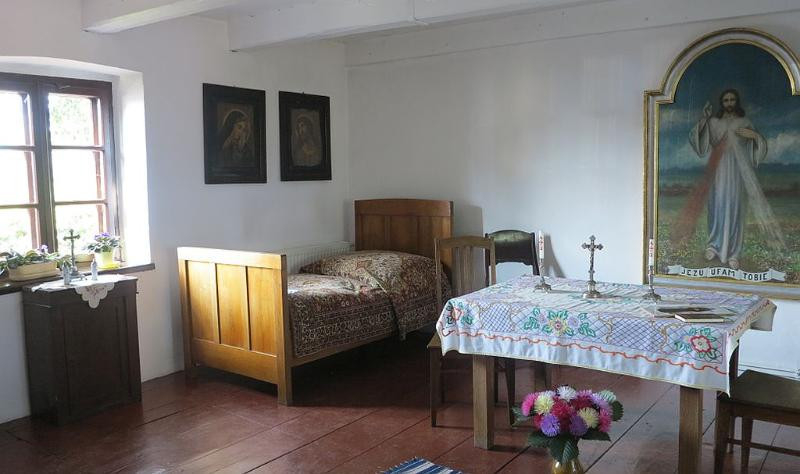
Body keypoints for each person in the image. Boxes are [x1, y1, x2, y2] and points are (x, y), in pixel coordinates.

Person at [688, 88, 784, 270]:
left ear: (736, 101)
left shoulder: (744, 122)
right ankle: (713, 246)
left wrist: (755, 136)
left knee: (735, 208)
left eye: (732, 99)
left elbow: (759, 146)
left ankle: (733, 253)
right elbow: (697, 140)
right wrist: (704, 119)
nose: (729, 103)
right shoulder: (714, 122)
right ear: (722, 103)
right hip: (718, 170)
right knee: (717, 207)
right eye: (726, 100)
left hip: (738, 172)